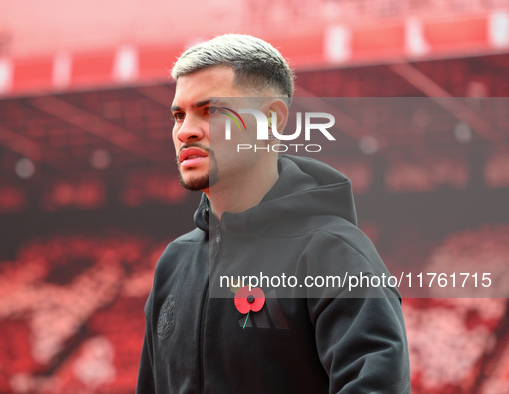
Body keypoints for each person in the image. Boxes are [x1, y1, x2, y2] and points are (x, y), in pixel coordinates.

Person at [137, 34, 410, 393]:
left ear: (270, 119)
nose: (185, 131)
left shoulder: (333, 252)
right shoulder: (174, 262)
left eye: (210, 110)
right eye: (178, 115)